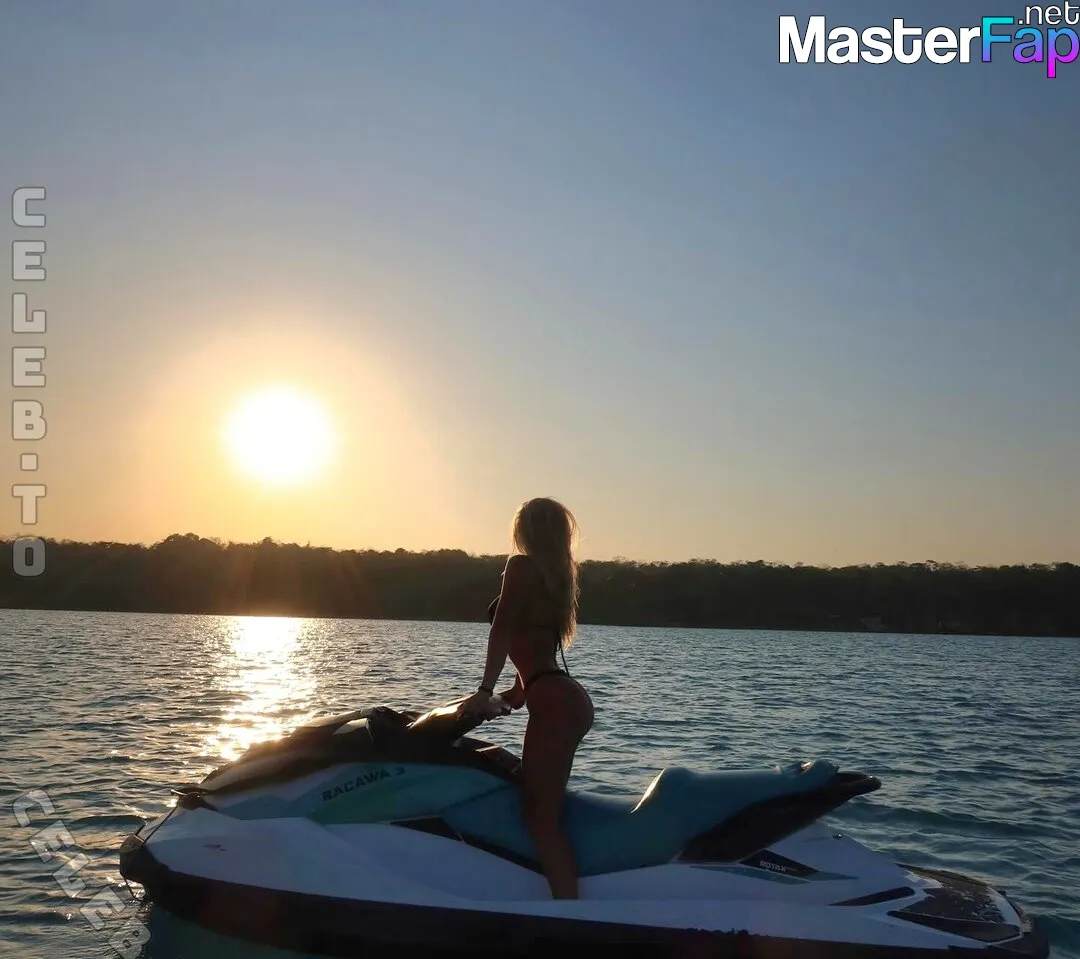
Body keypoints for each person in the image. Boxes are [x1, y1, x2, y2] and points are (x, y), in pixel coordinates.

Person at [460, 497, 595, 899]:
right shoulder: (557, 577)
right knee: (540, 806)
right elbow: (535, 657)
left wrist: (484, 691)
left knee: (540, 819)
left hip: (554, 701)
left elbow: (501, 631)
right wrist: (511, 696)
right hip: (561, 695)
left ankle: (571, 912)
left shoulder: (521, 566)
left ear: (526, 529)